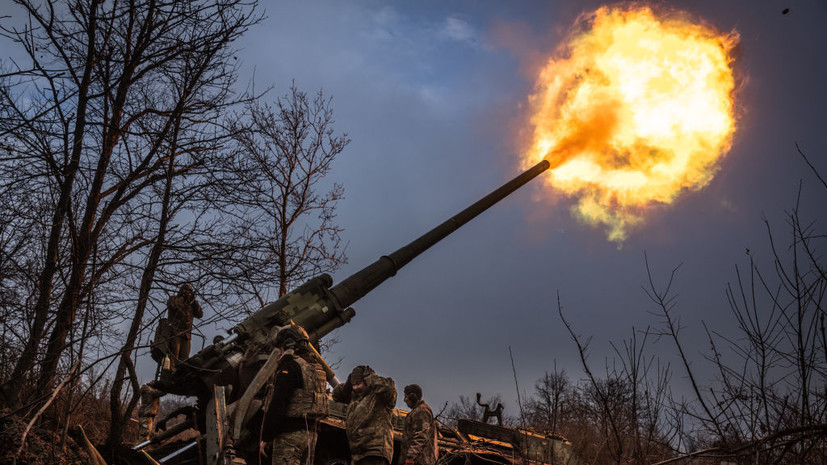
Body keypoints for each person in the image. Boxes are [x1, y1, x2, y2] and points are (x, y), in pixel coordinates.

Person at [259, 324, 329, 465]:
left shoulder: (291, 366)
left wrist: (266, 437)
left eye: (280, 347)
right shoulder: (317, 368)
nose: (279, 351)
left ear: (287, 344)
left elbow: (279, 403)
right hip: (311, 437)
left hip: (289, 437)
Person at [332, 365, 396, 465]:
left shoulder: (379, 396)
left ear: (367, 382)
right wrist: (348, 385)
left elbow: (390, 389)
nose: (356, 388)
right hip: (358, 454)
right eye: (353, 384)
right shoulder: (354, 397)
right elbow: (336, 395)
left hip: (375, 452)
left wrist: (370, 378)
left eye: (358, 383)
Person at [400, 384, 438, 465]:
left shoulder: (421, 411)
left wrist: (411, 456)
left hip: (419, 461)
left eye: (406, 396)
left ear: (412, 397)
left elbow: (420, 436)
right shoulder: (417, 411)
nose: (404, 400)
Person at [165, 283, 202, 365]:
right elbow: (173, 306)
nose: (189, 293)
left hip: (187, 335)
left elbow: (200, 314)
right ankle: (171, 373)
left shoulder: (191, 305)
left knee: (184, 360)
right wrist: (182, 297)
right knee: (173, 357)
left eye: (190, 291)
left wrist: (194, 302)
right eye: (187, 291)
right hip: (175, 333)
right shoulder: (175, 299)